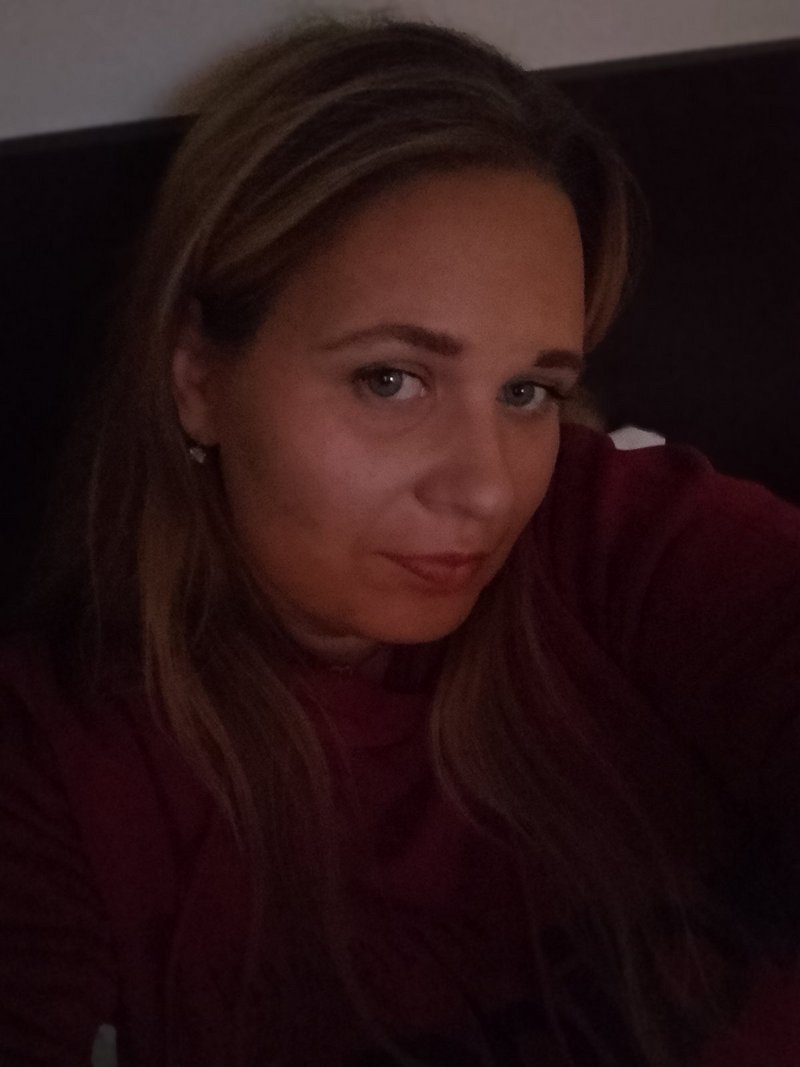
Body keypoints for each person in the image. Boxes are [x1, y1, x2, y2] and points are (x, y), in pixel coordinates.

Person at [1, 15, 798, 1067]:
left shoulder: (607, 531)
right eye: (390, 379)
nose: (487, 488)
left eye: (528, 391)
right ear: (197, 378)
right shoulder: (59, 767)